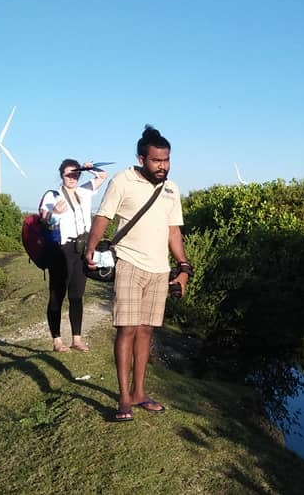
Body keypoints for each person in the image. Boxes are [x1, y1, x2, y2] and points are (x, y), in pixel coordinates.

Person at [84, 125, 192, 422]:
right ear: (142, 158)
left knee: (146, 330)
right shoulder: (122, 180)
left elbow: (174, 231)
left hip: (160, 269)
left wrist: (184, 266)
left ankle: (139, 392)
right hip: (129, 264)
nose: (163, 166)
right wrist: (90, 249)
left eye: (167, 160)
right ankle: (123, 398)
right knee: (127, 329)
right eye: (157, 160)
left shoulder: (171, 188)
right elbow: (103, 216)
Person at [40, 159, 107, 352]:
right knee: (57, 295)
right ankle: (57, 341)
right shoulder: (53, 195)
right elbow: (45, 221)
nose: (73, 177)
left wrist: (90, 168)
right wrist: (53, 213)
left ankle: (77, 339)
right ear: (61, 174)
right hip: (62, 250)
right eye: (69, 174)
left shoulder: (84, 191)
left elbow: (103, 176)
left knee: (77, 295)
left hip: (82, 248)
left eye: (76, 173)